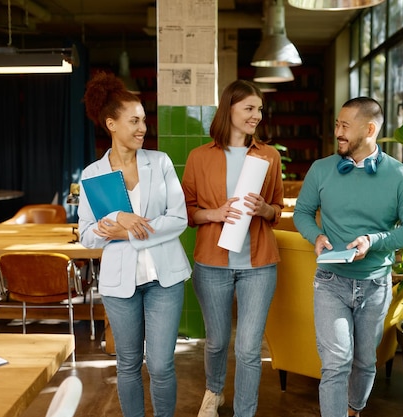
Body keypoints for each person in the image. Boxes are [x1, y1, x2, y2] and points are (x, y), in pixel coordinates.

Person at [293, 97, 403, 417]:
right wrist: (316, 236)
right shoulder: (321, 169)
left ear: (369, 129)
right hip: (330, 282)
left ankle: (354, 410)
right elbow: (302, 213)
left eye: (344, 126)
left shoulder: (401, 176)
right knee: (336, 362)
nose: (337, 132)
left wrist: (374, 240)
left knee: (365, 362)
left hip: (375, 283)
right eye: (337, 124)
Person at [78, 71, 191, 417]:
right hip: (119, 284)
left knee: (160, 365)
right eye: (134, 121)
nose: (143, 128)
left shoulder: (160, 163)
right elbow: (85, 235)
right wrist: (115, 220)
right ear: (111, 124)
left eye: (144, 120)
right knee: (127, 365)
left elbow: (179, 219)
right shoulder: (92, 175)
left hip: (164, 280)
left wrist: (128, 229)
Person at [181, 79, 284, 417]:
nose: (257, 115)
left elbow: (277, 210)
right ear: (230, 110)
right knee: (216, 341)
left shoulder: (269, 156)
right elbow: (187, 210)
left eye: (259, 109)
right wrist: (216, 213)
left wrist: (264, 209)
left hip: (259, 265)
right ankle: (214, 392)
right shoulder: (199, 157)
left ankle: (245, 411)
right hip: (213, 263)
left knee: (250, 348)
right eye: (249, 108)